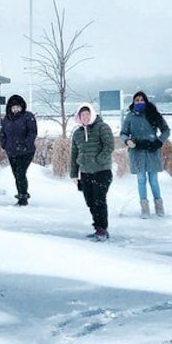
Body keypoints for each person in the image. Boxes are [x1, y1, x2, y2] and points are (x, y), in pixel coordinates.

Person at [120, 91, 171, 218]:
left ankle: (159, 207)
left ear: (146, 101)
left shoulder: (153, 115)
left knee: (153, 180)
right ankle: (145, 209)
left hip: (152, 151)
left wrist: (159, 142)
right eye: (136, 100)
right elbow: (123, 133)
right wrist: (127, 140)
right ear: (133, 102)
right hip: (137, 151)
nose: (139, 102)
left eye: (141, 100)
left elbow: (166, 130)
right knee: (141, 179)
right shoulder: (130, 117)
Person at [69, 102, 115, 241]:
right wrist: (73, 173)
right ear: (79, 116)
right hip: (85, 172)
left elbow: (109, 146)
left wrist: (98, 160)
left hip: (102, 171)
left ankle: (102, 229)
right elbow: (74, 153)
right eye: (83, 115)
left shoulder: (102, 127)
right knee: (90, 201)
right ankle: (97, 228)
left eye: (88, 114)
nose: (85, 117)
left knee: (99, 200)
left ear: (92, 114)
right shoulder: (77, 133)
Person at [0, 94, 37, 206]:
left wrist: (26, 145)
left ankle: (23, 197)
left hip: (26, 151)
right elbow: (3, 133)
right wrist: (3, 144)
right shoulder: (7, 119)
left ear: (22, 107)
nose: (16, 109)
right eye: (13, 107)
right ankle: (21, 192)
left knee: (20, 173)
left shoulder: (28, 117)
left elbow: (32, 132)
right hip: (12, 152)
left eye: (18, 107)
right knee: (16, 174)